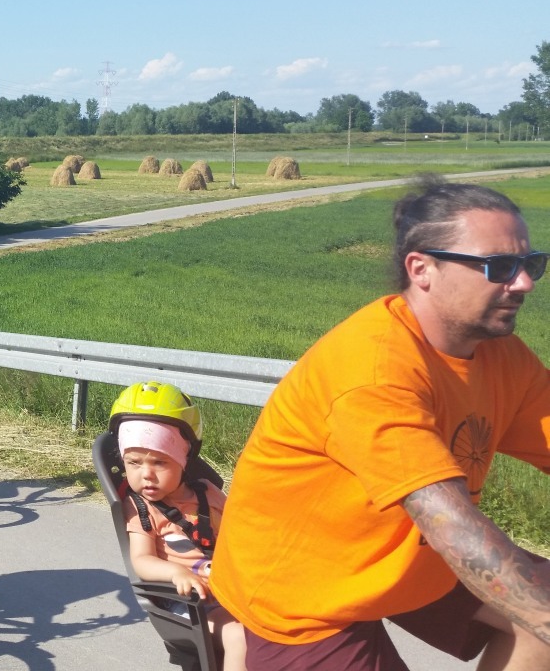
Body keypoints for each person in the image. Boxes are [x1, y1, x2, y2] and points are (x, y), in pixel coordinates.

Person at [211, 177, 550, 669]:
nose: (524, 283)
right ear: (422, 269)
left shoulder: (501, 357)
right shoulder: (373, 370)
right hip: (304, 592)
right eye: (499, 267)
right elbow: (452, 524)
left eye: (531, 264)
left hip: (403, 558)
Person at [111, 381, 245, 671]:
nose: (146, 474)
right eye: (134, 463)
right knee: (240, 637)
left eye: (159, 462)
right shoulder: (140, 508)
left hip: (228, 591)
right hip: (188, 603)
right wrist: (176, 573)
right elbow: (141, 560)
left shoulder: (208, 492)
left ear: (184, 460)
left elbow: (238, 533)